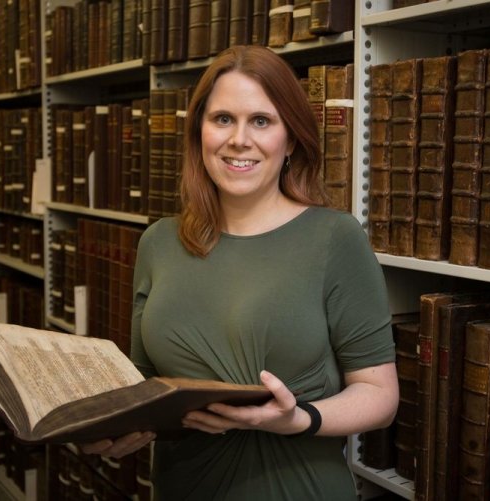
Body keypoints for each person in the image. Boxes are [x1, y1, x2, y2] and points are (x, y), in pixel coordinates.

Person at [82, 45, 398, 500]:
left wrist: (297, 419)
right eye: (223, 119)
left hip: (294, 487)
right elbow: (147, 382)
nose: (239, 140)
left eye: (262, 121)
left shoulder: (334, 238)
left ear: (290, 139)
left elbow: (380, 395)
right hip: (181, 487)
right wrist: (116, 428)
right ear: (199, 134)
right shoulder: (158, 242)